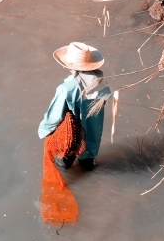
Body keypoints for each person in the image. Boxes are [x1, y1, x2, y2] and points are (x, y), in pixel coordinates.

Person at [38, 42, 112, 171]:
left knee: (64, 165)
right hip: (92, 140)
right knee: (88, 165)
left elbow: (54, 117)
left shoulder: (66, 88)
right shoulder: (102, 84)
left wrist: (44, 131)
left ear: (69, 65)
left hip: (71, 136)